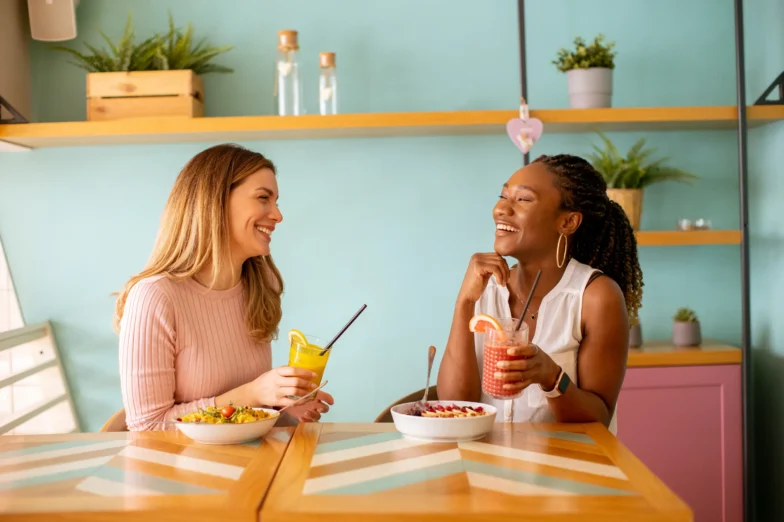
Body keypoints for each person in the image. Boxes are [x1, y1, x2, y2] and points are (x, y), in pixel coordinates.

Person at [114, 143, 333, 431]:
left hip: (250, 465)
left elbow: (244, 421)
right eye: (263, 198)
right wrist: (252, 394)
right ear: (215, 201)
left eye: (276, 201)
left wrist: (284, 407)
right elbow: (148, 426)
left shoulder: (258, 286)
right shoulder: (155, 296)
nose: (278, 215)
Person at [436, 154, 642, 433]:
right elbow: (456, 405)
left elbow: (599, 418)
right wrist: (465, 303)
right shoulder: (487, 287)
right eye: (503, 195)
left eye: (523, 199)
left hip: (565, 470)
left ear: (568, 222)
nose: (500, 209)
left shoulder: (595, 297)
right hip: (487, 465)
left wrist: (551, 377)